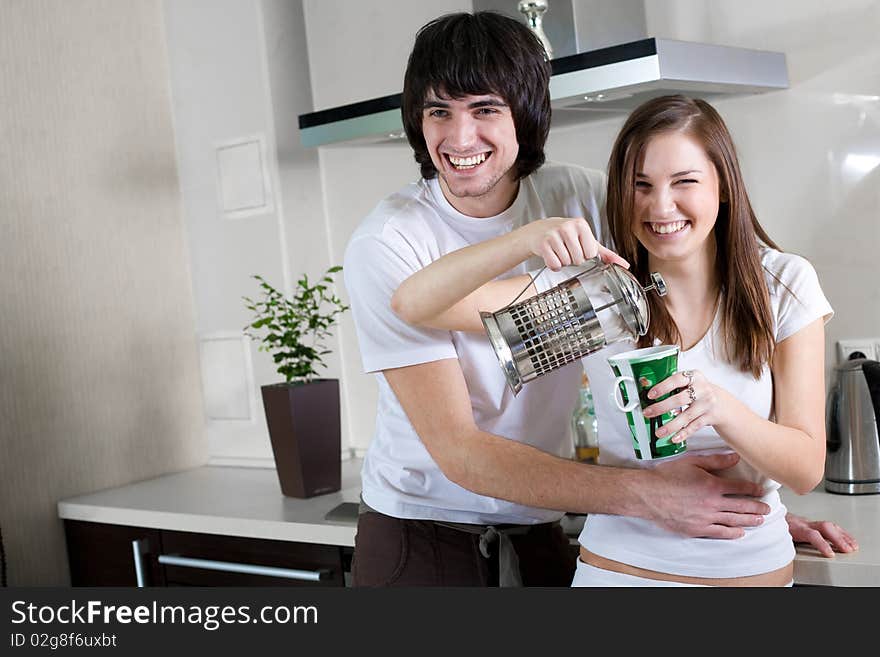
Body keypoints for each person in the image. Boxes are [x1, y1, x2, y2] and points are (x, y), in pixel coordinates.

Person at [343, 11, 856, 587]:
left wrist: (745, 507)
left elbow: (690, 236)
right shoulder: (388, 242)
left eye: (485, 109)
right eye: (440, 111)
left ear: (526, 115)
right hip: (426, 530)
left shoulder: (585, 198)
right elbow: (463, 452)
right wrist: (658, 499)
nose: (461, 138)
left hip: (542, 523)